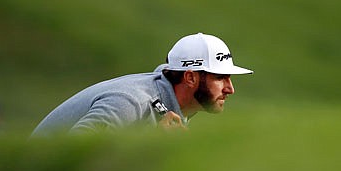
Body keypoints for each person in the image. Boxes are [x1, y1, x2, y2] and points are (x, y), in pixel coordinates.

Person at [31, 33, 253, 136]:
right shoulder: (131, 102)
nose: (230, 88)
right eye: (220, 77)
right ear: (190, 78)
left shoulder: (168, 104)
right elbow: (74, 149)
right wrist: (151, 142)